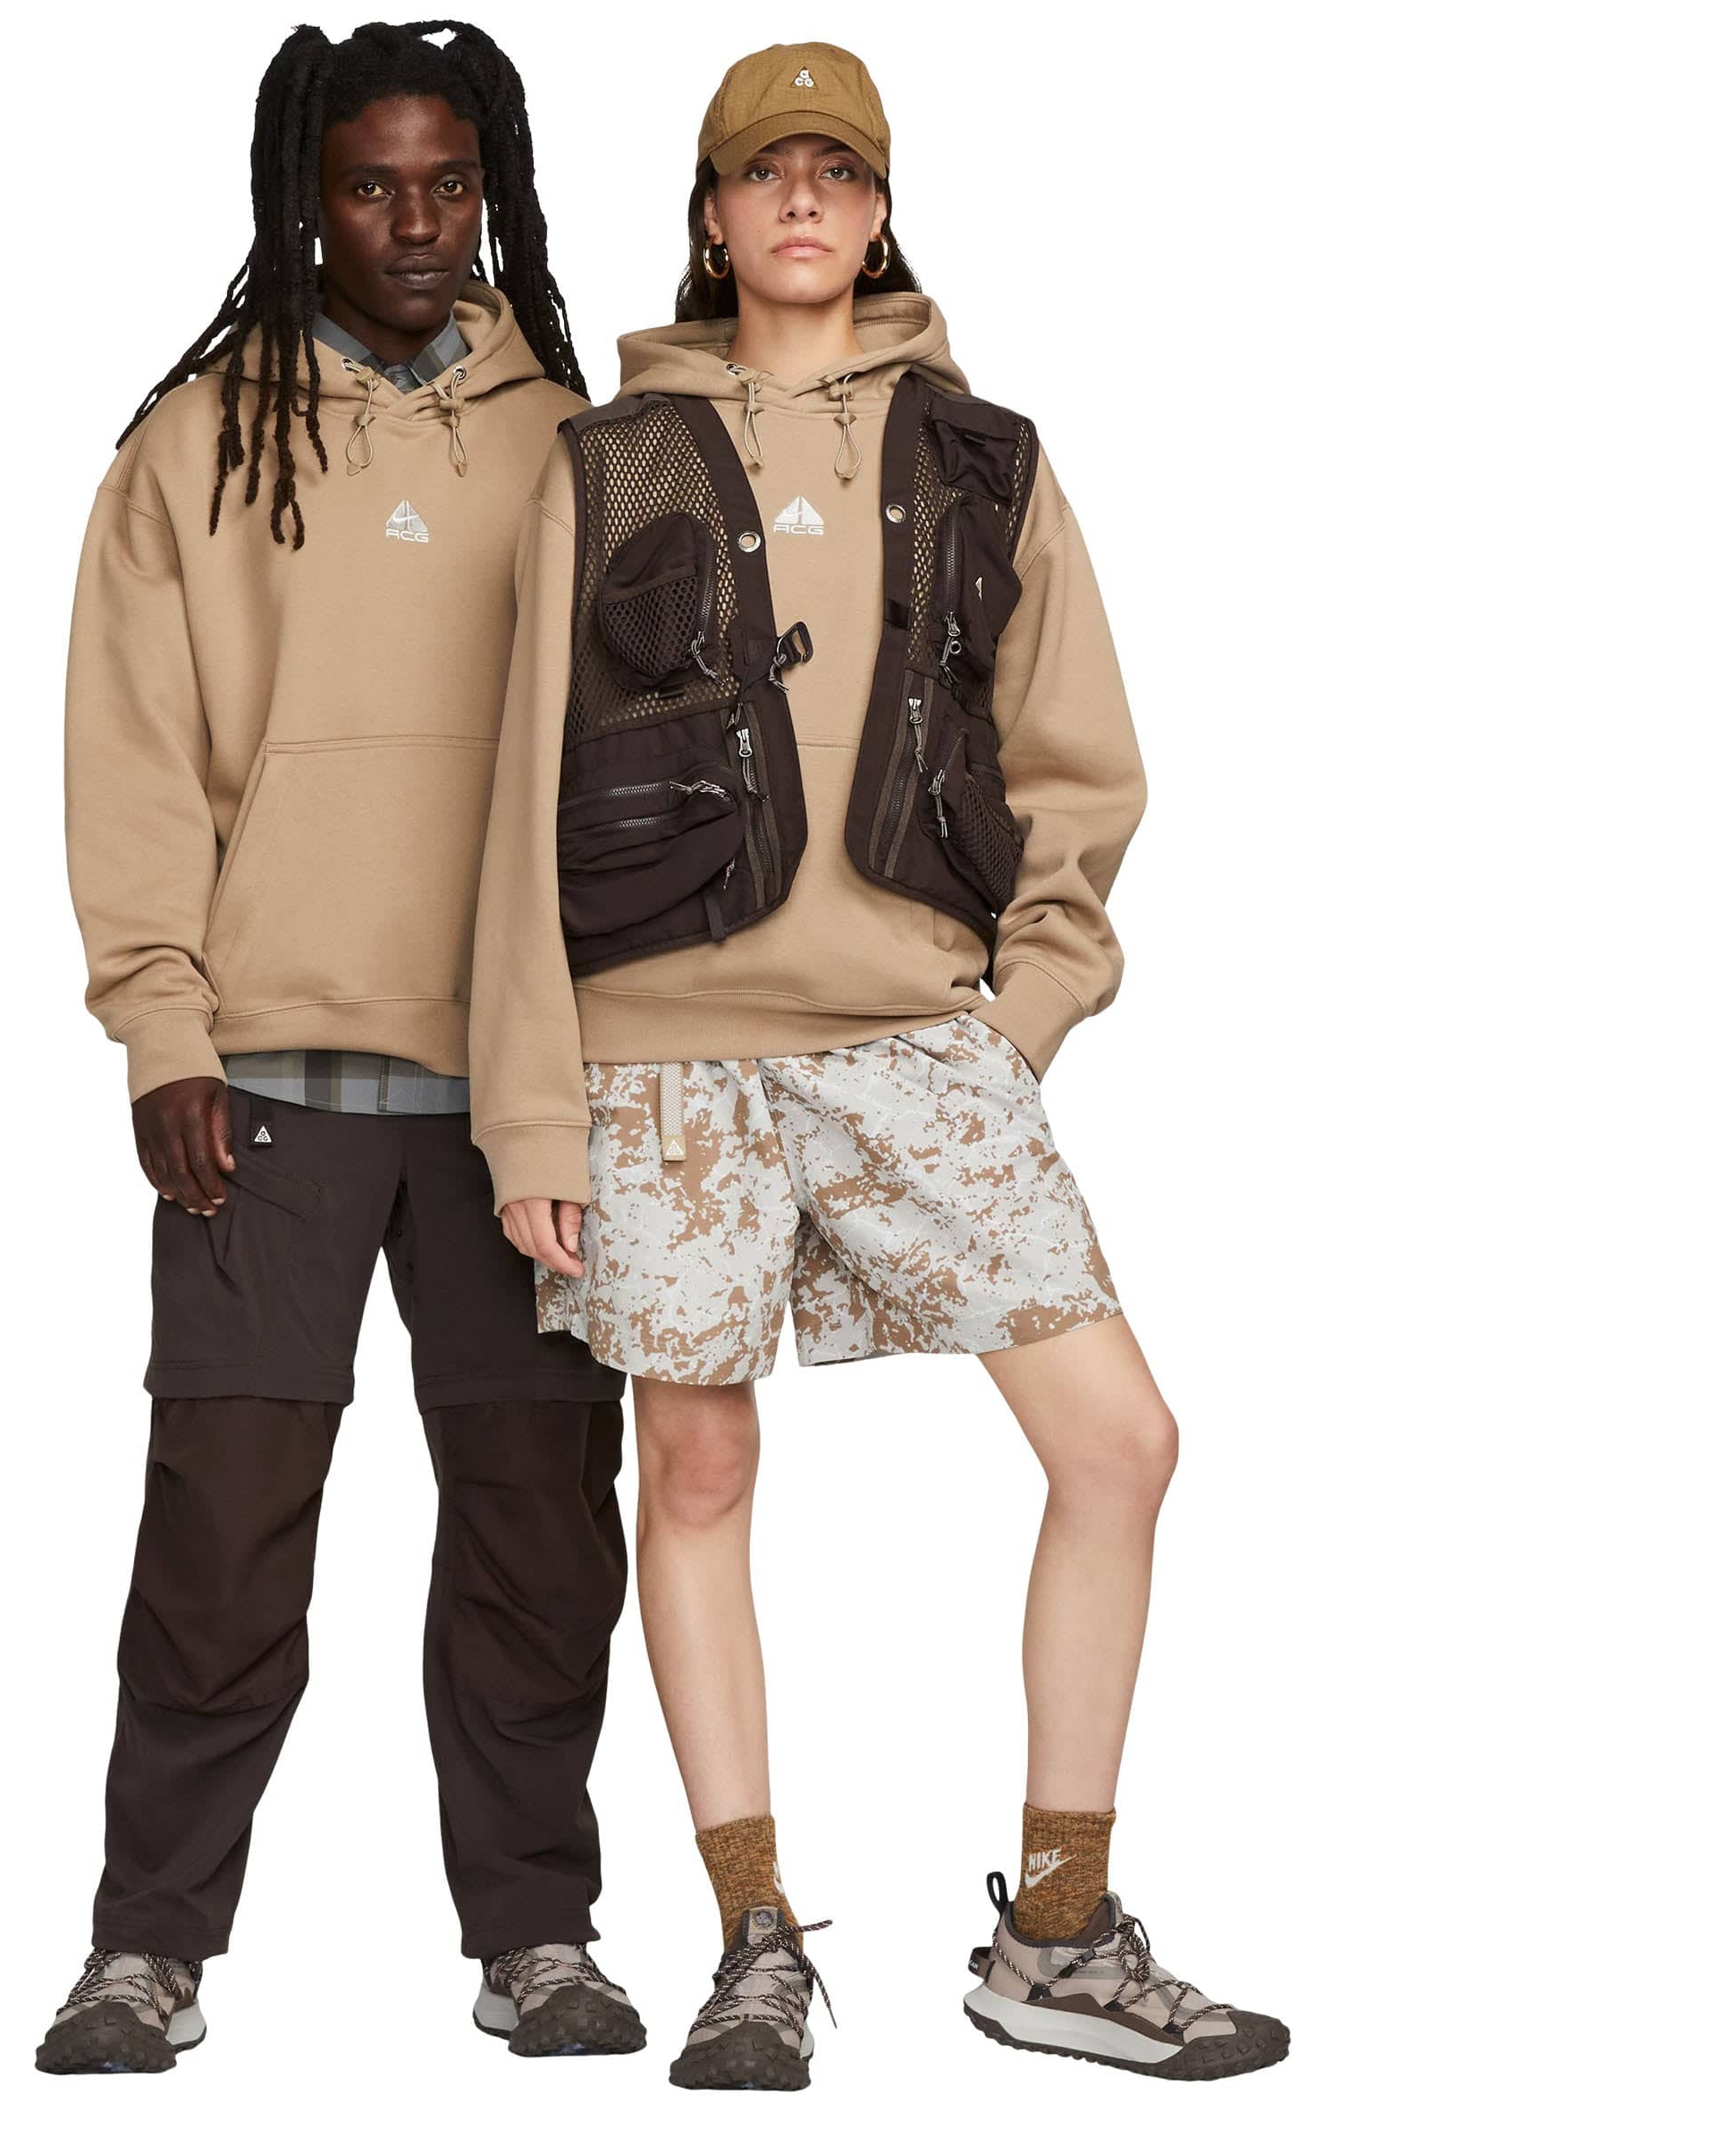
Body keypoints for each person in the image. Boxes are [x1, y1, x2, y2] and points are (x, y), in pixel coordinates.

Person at [471, 41, 1288, 2091]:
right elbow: (514, 799)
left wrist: (1018, 1021)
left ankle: (1061, 1931)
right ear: (714, 215)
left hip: (920, 1039)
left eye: (838, 172)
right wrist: (531, 1099)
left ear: (882, 208)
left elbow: (1080, 764)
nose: (804, 203)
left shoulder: (984, 456)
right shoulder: (609, 459)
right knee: (700, 1470)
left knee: (1120, 1442)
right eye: (768, 174)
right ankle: (754, 1943)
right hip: (659, 1055)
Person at [44, 20, 644, 2074]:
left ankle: (537, 1932)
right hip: (269, 1084)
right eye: (373, 183)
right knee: (219, 1535)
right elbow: (132, 753)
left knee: (542, 1534)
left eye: (449, 184)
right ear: (308, 195)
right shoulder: (198, 443)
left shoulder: (577, 441)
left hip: (524, 1100)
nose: (415, 221)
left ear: (495, 194)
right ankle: (149, 1948)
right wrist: (162, 1028)